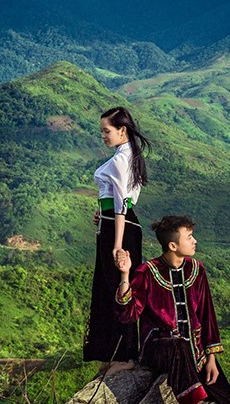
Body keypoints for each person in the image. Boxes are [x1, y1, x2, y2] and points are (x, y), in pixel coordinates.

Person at [115, 215, 230, 404]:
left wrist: (211, 358)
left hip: (194, 352)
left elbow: (207, 315)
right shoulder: (147, 272)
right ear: (173, 246)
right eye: (189, 237)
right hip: (159, 348)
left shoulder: (197, 270)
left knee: (227, 399)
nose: (194, 241)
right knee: (178, 345)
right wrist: (125, 275)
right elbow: (128, 313)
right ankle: (192, 400)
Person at [83, 106, 151, 372]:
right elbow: (121, 201)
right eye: (102, 130)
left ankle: (124, 357)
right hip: (115, 224)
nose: (103, 135)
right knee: (108, 288)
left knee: (117, 291)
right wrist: (104, 215)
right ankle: (113, 355)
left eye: (107, 130)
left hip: (119, 229)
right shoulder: (129, 154)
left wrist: (117, 244)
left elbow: (123, 202)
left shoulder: (122, 158)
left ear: (122, 130)